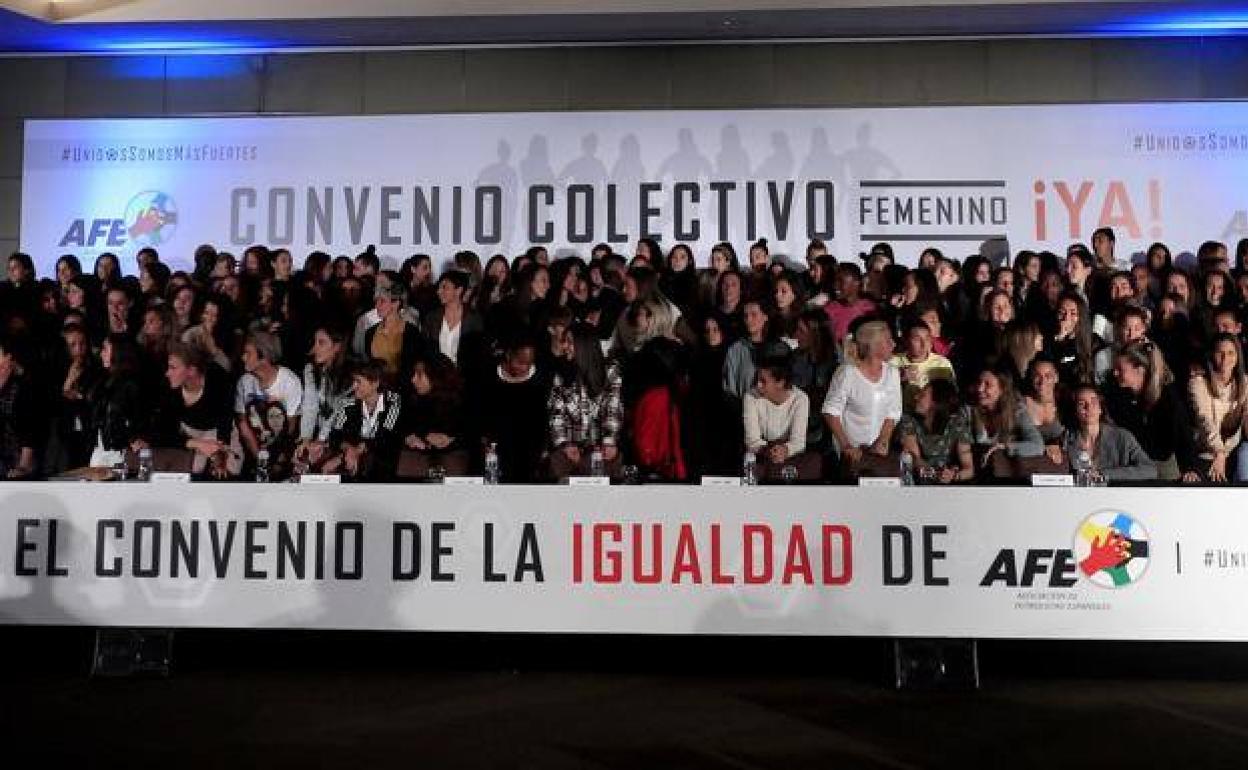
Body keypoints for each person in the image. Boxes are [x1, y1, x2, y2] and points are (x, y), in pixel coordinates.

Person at [1105, 341, 1196, 482]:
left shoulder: (1168, 399)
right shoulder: (1117, 395)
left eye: (1120, 369)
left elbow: (1184, 437)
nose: (1115, 373)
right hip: (1129, 466)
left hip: (1161, 466)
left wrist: (1190, 468)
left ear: (1140, 369)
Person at [821, 320, 902, 477]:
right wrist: (846, 446)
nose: (893, 344)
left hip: (878, 454)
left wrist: (883, 440)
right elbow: (830, 411)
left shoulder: (892, 373)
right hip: (850, 453)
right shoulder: (847, 373)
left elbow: (893, 412)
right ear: (874, 346)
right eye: (888, 340)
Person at [546, 326, 624, 481]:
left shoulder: (610, 372)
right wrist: (565, 444)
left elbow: (612, 410)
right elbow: (556, 414)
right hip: (571, 446)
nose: (565, 347)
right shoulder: (561, 372)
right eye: (564, 342)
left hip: (599, 445)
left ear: (584, 346)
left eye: (569, 342)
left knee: (611, 462)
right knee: (556, 463)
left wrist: (608, 442)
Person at [151, 342, 236, 478]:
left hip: (216, 430)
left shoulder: (219, 379)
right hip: (187, 431)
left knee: (230, 470)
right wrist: (197, 444)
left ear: (191, 370)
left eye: (173, 368)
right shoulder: (168, 386)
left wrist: (219, 454)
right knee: (191, 470)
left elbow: (225, 423)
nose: (167, 373)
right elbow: (161, 432)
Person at [480, 333, 550, 483]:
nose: (525, 368)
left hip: (529, 451)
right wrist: (486, 442)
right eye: (520, 362)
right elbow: (481, 416)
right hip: (495, 449)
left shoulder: (540, 379)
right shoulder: (489, 377)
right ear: (508, 354)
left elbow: (542, 421)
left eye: (529, 363)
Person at [323, 359, 404, 481]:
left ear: (375, 383)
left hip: (383, 464)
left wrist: (358, 450)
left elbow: (386, 437)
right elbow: (335, 435)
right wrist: (349, 449)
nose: (354, 386)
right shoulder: (347, 403)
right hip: (350, 459)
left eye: (358, 381)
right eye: (353, 381)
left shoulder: (394, 402)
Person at [233, 331, 303, 473]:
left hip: (282, 449)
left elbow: (290, 429)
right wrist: (261, 459)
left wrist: (277, 459)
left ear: (263, 357)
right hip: (254, 450)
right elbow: (243, 425)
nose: (243, 357)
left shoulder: (290, 382)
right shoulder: (244, 382)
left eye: (248, 353)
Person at [743, 356, 820, 481]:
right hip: (762, 454)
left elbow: (799, 442)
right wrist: (770, 451)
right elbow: (752, 440)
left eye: (763, 381)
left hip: (790, 457)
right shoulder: (751, 397)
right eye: (757, 379)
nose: (758, 385)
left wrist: (785, 450)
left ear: (780, 382)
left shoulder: (800, 399)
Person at [1060, 384, 1157, 482]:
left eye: (1093, 402)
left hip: (1114, 495)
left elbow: (1149, 470)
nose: (1088, 407)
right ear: (1075, 411)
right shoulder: (1066, 438)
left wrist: (1105, 474)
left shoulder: (1122, 437)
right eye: (1081, 403)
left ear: (1100, 408)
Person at [1188, 333, 1248, 483]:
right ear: (1211, 355)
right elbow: (1205, 419)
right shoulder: (1198, 383)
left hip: (1234, 452)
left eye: (1230, 353)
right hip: (1206, 452)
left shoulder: (1245, 383)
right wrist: (1219, 452)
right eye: (1220, 353)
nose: (1225, 359)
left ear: (1237, 356)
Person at [399, 353, 470, 479]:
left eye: (419, 375)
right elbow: (400, 427)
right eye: (414, 374)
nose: (413, 379)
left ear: (436, 377)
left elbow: (470, 434)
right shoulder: (410, 399)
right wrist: (410, 437)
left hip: (453, 456)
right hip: (417, 459)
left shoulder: (462, 401)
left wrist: (451, 440)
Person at [964, 368, 1044, 476]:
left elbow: (1037, 446)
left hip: (1006, 478)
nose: (979, 389)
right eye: (979, 383)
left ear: (1001, 389)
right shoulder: (968, 410)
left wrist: (1005, 447)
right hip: (976, 475)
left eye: (987, 385)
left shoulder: (1017, 410)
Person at [897, 378, 974, 483]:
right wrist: (934, 473)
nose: (916, 397)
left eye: (922, 395)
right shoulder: (909, 420)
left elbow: (969, 469)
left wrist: (953, 475)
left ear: (936, 403)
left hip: (950, 485)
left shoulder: (957, 423)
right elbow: (913, 457)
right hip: (919, 482)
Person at [88, 334, 147, 470]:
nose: (101, 353)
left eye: (105, 349)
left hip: (122, 453)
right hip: (100, 450)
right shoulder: (103, 382)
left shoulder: (133, 385)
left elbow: (139, 418)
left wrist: (134, 439)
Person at [297, 325, 351, 464]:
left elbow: (336, 412)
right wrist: (305, 439)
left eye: (321, 343)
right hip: (319, 431)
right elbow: (310, 407)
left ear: (337, 347)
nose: (315, 348)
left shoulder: (349, 376)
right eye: (315, 342)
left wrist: (320, 440)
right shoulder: (310, 369)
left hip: (339, 435)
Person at [890, 320, 955, 410]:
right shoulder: (892, 363)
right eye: (917, 339)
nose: (924, 344)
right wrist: (898, 379)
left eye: (927, 338)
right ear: (905, 340)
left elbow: (950, 397)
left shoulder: (942, 364)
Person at [0, 335, 36, 478]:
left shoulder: (25, 387)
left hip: (18, 461)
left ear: (9, 359)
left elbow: (30, 430)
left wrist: (23, 465)